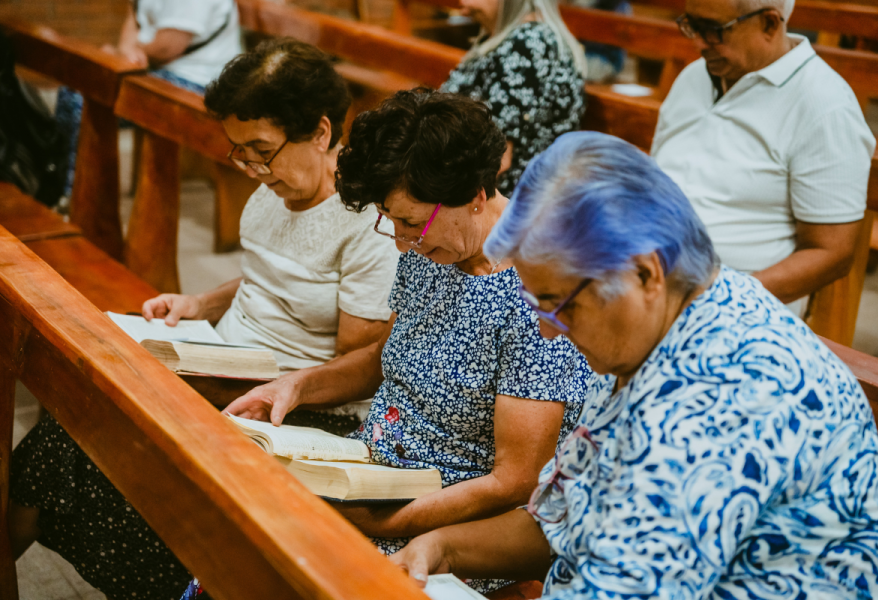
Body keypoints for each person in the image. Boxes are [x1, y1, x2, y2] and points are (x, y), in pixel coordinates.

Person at [390, 131, 878, 598]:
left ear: (644, 272)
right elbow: (562, 518)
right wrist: (441, 547)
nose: (546, 329)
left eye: (558, 303)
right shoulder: (653, 333)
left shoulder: (727, 393)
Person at [9, 38, 399, 600]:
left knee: (150, 480)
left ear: (320, 132)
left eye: (261, 149)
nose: (253, 168)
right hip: (227, 367)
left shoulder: (365, 224)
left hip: (298, 408)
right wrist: (200, 305)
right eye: (239, 152)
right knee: (68, 429)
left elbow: (359, 360)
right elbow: (272, 277)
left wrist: (259, 387)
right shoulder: (275, 188)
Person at [187, 89, 591, 598]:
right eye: (389, 219)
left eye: (409, 221)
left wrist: (384, 522)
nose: (400, 241)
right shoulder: (432, 247)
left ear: (475, 194)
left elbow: (514, 480)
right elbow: (385, 358)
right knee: (235, 540)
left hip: (450, 515)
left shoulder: (538, 290)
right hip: (371, 473)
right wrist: (295, 387)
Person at [651, 0, 876, 316]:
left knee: (594, 352)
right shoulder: (694, 77)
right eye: (692, 25)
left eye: (714, 31)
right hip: (649, 283)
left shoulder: (824, 105)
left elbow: (831, 253)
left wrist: (721, 298)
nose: (698, 43)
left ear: (770, 23)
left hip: (735, 309)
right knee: (565, 334)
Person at [56, 0, 242, 199]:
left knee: (84, 98)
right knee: (78, 87)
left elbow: (169, 47)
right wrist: (126, 53)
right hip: (160, 71)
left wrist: (134, 51)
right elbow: (134, 16)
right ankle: (63, 185)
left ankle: (76, 197)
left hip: (200, 83)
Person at [441, 0, 586, 196]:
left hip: (511, 199)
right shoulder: (509, 36)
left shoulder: (529, 43)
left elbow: (497, 161)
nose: (463, 3)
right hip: (476, 186)